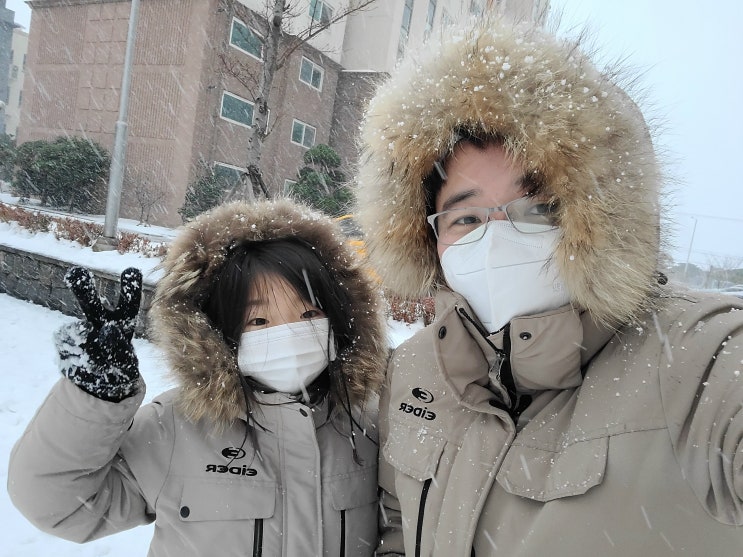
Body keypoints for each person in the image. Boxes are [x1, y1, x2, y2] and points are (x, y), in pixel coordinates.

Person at [354, 17, 743, 557]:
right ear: (430, 243)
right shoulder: (417, 369)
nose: (498, 239)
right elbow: (399, 520)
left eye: (537, 208)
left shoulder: (699, 358)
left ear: (596, 219)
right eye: (465, 219)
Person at [8, 199, 387, 556]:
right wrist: (95, 400)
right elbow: (57, 504)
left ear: (340, 319)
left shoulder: (369, 423)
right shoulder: (177, 426)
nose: (288, 332)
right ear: (218, 332)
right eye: (258, 320)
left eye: (308, 315)